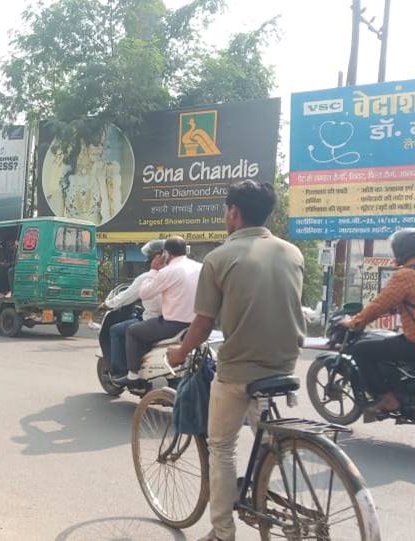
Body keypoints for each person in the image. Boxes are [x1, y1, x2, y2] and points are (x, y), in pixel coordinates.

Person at [163, 180, 304, 541]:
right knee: (265, 435)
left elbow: (204, 322)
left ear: (233, 212)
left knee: (221, 446)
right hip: (285, 365)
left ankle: (223, 532)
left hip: (240, 369)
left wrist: (179, 352)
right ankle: (262, 481)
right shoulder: (292, 253)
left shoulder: (219, 257)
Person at [340, 228, 415, 416]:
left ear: (401, 249)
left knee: (361, 349)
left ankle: (389, 399)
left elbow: (379, 305)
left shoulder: (406, 274)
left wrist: (355, 322)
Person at [112, 236, 201, 387]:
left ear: (166, 254)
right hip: (198, 324)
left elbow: (145, 293)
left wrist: (153, 270)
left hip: (172, 324)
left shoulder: (168, 271)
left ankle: (133, 376)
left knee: (133, 331)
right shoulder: (200, 267)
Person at [101, 239, 165, 378]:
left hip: (154, 320)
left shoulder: (148, 277)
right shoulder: (175, 273)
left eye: (150, 256)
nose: (148, 260)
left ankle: (122, 372)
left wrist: (107, 304)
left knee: (115, 330)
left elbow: (127, 296)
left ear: (157, 258)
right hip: (175, 320)